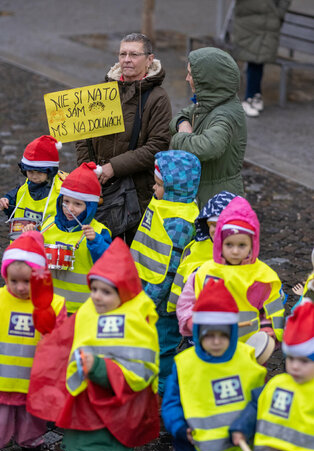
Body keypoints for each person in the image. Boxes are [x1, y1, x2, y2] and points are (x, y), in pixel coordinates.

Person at [27, 238, 160, 451]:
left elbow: (142, 367)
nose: (97, 296)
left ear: (125, 292)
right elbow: (65, 343)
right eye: (94, 289)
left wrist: (98, 368)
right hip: (88, 404)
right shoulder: (88, 312)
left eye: (106, 292)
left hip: (119, 409)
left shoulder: (137, 321)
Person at [76, 32, 172, 244]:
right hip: (99, 191)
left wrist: (113, 167)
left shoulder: (158, 98)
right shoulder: (102, 91)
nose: (127, 59)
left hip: (137, 194)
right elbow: (83, 135)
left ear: (149, 59)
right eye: (123, 54)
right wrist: (87, 169)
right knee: (98, 253)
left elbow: (157, 146)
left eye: (134, 54)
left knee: (130, 259)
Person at [162, 278, 266, 451]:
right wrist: (179, 427)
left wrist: (244, 427)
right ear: (199, 333)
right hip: (191, 450)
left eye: (223, 335)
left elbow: (258, 401)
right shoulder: (185, 363)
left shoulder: (246, 360)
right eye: (209, 335)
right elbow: (172, 402)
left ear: (232, 332)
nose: (216, 342)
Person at [130, 150, 200, 395]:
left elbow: (170, 270)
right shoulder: (165, 205)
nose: (153, 187)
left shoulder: (179, 221)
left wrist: (149, 299)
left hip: (161, 300)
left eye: (159, 184)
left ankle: (163, 392)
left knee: (162, 348)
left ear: (174, 188)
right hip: (146, 288)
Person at [0, 231, 66, 451]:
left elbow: (61, 343)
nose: (19, 288)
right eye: (13, 280)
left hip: (33, 389)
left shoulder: (55, 304)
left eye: (27, 282)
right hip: (2, 387)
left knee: (31, 435)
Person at [178, 196, 285, 344]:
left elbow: (272, 309)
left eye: (241, 245)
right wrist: (193, 324)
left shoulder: (263, 276)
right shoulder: (205, 271)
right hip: (208, 344)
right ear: (220, 243)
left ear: (252, 245)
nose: (235, 251)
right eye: (229, 244)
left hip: (249, 348)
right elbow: (186, 302)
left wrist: (268, 332)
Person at [230, 300, 314, 451]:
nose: (295, 366)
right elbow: (256, 406)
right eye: (291, 358)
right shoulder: (277, 383)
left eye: (304, 361)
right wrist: (241, 428)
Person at [24, 162, 112, 315]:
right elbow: (32, 259)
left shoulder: (99, 231)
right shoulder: (48, 225)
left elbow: (109, 265)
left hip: (83, 309)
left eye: (78, 204)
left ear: (90, 207)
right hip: (49, 305)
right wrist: (30, 236)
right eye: (66, 202)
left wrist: (96, 241)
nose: (70, 209)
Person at [169, 46, 246, 208]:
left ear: (207, 80)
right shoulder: (210, 101)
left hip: (218, 199)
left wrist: (180, 138)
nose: (186, 78)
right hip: (206, 193)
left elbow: (208, 147)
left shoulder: (224, 115)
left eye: (191, 74)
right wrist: (183, 124)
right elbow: (181, 115)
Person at [170, 191, 237, 339]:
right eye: (212, 224)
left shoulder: (244, 260)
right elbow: (187, 296)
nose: (215, 229)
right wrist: (189, 321)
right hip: (199, 329)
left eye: (221, 224)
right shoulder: (199, 249)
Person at [233, 0, 291, 117]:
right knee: (255, 59)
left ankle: (253, 95)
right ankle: (251, 96)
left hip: (266, 20)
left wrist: (277, 13)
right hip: (249, 21)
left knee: (258, 59)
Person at [0, 135, 64, 228]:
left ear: (50, 171)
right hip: (24, 240)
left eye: (39, 172)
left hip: (48, 241)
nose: (34, 177)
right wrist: (6, 202)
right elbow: (14, 201)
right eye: (30, 172)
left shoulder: (61, 191)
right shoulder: (24, 187)